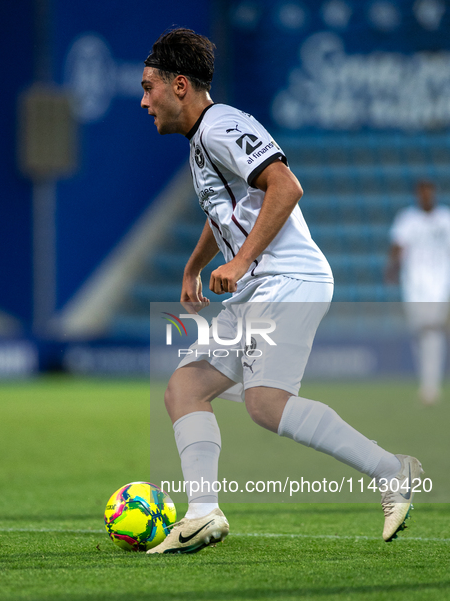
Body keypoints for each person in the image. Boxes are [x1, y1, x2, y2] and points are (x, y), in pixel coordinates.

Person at [140, 27, 423, 553]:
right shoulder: (203, 142)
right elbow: (225, 211)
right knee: (185, 389)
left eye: (149, 87)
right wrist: (194, 265)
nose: (143, 100)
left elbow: (285, 185)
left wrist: (243, 258)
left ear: (180, 85)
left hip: (288, 276)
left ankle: (393, 471)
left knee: (266, 403)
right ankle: (203, 515)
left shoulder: (223, 125)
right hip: (258, 285)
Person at [387, 180, 450, 405]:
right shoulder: (408, 219)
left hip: (440, 285)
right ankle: (427, 380)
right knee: (420, 332)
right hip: (414, 286)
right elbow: (398, 246)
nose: (425, 196)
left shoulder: (445, 218)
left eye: (428, 192)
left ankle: (430, 387)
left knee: (432, 331)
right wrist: (392, 269)